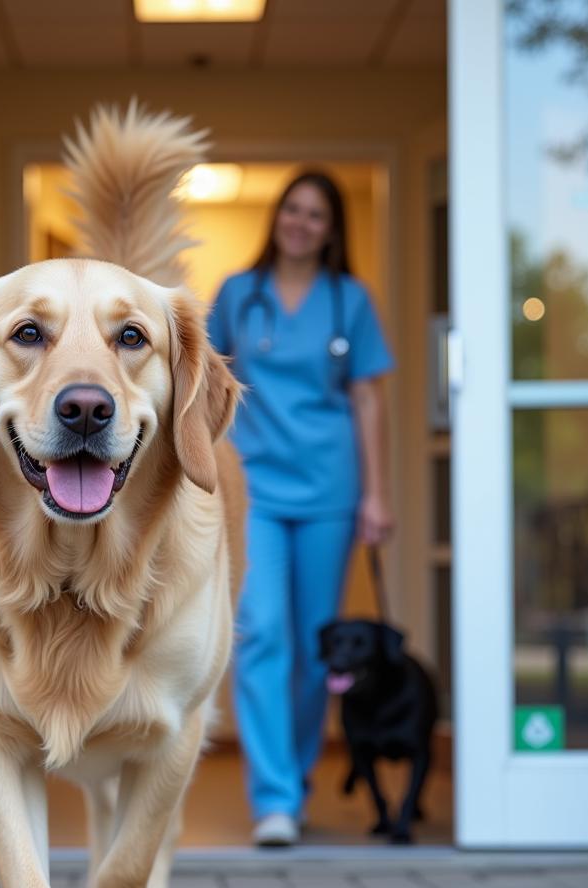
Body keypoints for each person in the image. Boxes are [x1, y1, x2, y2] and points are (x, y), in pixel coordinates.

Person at [207, 169, 395, 846]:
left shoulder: (350, 300)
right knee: (259, 633)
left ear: (332, 228)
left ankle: (298, 776)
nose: (301, 223)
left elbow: (369, 399)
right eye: (293, 209)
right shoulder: (237, 293)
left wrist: (376, 493)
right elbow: (203, 379)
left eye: (316, 214)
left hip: (330, 492)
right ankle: (275, 799)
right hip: (253, 489)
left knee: (322, 649)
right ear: (277, 216)